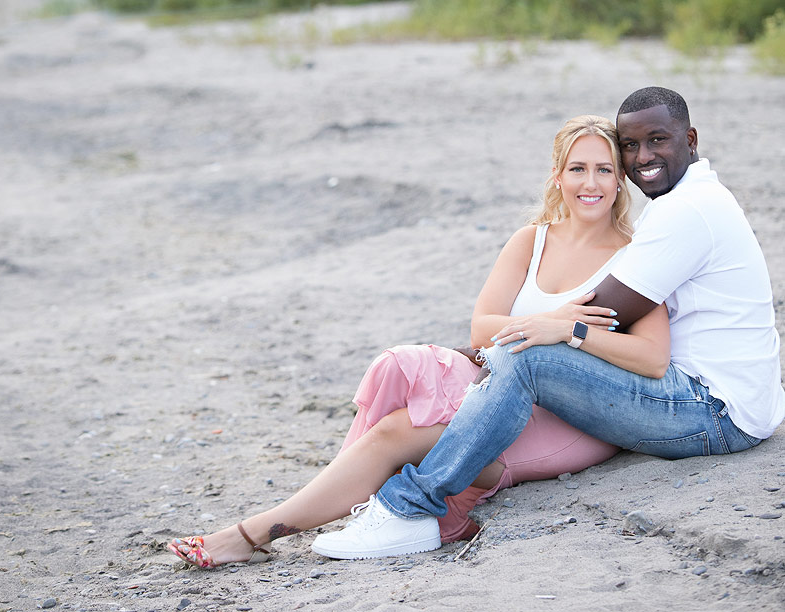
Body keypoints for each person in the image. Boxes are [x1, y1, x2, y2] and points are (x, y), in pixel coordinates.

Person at [168, 114, 669, 567]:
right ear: (558, 176)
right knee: (396, 365)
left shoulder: (635, 256)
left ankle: (256, 534)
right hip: (502, 380)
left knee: (395, 433)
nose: (591, 183)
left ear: (620, 179)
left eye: (604, 170)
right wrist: (545, 322)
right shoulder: (532, 239)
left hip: (570, 414)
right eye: (577, 168)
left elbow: (652, 359)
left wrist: (569, 330)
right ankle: (362, 503)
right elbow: (481, 327)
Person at [312, 85, 785, 560]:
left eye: (658, 140)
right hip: (728, 399)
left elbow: (603, 315)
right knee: (505, 355)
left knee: (531, 359)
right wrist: (534, 333)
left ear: (691, 139)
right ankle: (365, 499)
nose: (644, 157)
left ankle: (408, 509)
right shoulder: (684, 200)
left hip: (716, 411)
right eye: (631, 145)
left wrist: (531, 337)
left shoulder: (687, 209)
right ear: (560, 176)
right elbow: (586, 318)